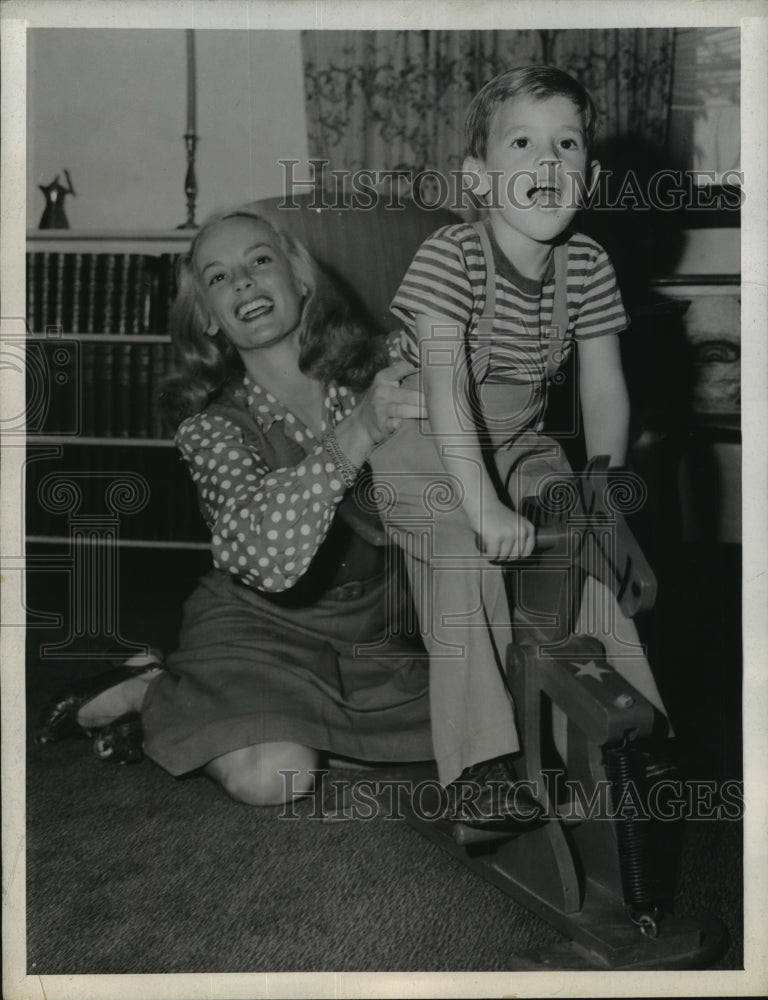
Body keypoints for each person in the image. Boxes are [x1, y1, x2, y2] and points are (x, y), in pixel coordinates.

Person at [36, 208, 441, 809]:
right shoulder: (213, 429)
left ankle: (251, 719)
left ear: (301, 279)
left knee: (498, 725)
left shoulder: (378, 371)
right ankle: (153, 691)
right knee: (275, 778)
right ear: (207, 316)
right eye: (219, 277)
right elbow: (262, 555)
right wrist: (354, 436)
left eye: (259, 260)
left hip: (373, 637)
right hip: (257, 631)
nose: (244, 282)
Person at [367, 66, 670, 796]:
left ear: (587, 176)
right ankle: (480, 762)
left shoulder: (588, 263)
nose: (547, 161)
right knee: (463, 541)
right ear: (478, 176)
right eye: (524, 142)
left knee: (589, 536)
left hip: (518, 441)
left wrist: (600, 484)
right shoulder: (451, 257)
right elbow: (445, 394)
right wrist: (482, 506)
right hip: (427, 447)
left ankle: (629, 725)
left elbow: (603, 385)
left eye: (566, 144)